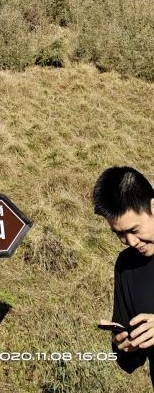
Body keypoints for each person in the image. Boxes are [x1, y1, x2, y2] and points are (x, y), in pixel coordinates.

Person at [93, 166, 154, 387]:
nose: (130, 241)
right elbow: (128, 363)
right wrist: (124, 346)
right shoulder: (126, 266)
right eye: (120, 233)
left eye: (134, 230)